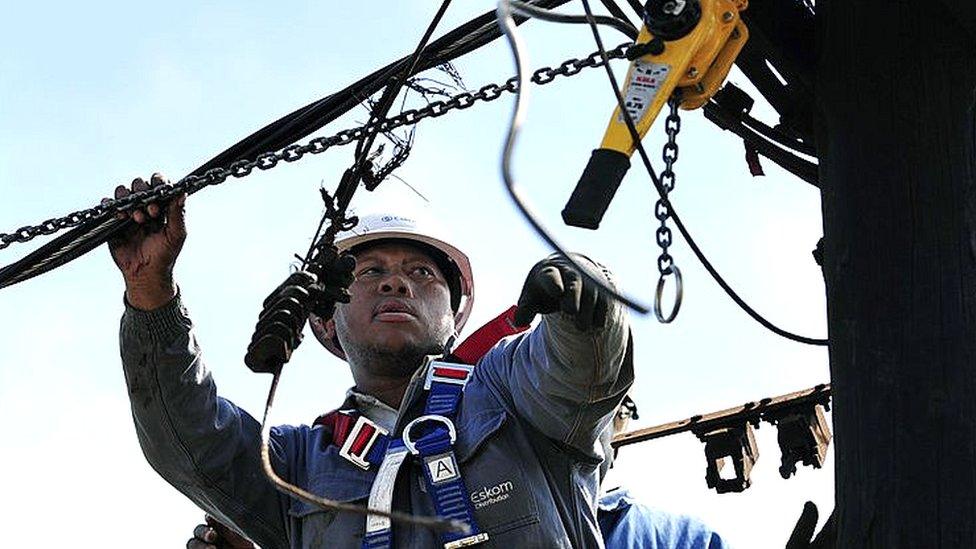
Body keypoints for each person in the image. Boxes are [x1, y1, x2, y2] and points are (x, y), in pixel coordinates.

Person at [110, 174, 633, 549]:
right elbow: (188, 439)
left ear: (456, 316)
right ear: (326, 323)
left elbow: (585, 366)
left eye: (422, 273)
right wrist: (149, 291)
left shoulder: (511, 393)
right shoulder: (298, 464)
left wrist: (584, 296)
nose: (395, 281)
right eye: (368, 272)